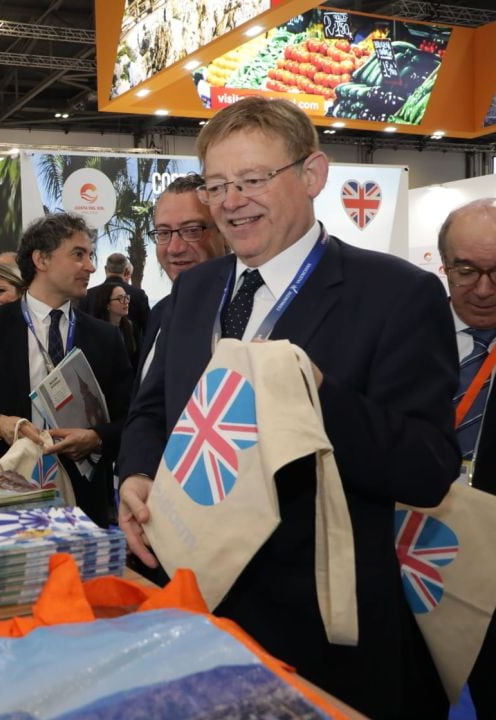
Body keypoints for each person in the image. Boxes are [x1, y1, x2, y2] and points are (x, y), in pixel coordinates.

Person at [116, 96, 458, 717]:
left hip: (317, 629)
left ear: (312, 175)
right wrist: (135, 474)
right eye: (218, 185)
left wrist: (315, 397)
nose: (230, 201)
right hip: (189, 604)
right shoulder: (194, 290)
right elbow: (151, 410)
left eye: (252, 180)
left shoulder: (396, 293)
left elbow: (429, 467)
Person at [0, 213, 133, 527]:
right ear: (41, 259)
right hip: (5, 495)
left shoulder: (105, 337)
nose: (91, 267)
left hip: (83, 503)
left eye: (91, 256)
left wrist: (96, 437)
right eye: (78, 255)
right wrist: (0, 424)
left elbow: (130, 417)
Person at [438, 199, 496, 716]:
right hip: (413, 551)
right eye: (467, 270)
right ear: (444, 267)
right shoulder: (406, 338)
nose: (483, 288)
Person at [138, 174, 228, 379]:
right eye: (163, 233)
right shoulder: (160, 313)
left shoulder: (240, 314)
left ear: (224, 233)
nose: (174, 248)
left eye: (191, 231)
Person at [81, 252, 149, 341]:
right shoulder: (138, 295)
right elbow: (147, 328)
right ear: (126, 271)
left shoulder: (88, 295)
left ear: (105, 269)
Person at [90, 279, 138, 370]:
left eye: (126, 297)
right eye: (120, 298)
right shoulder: (96, 330)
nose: (126, 302)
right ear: (107, 304)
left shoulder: (130, 327)